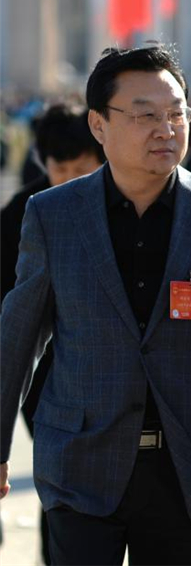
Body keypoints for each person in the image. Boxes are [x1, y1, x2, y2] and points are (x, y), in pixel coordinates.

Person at [0, 45, 191, 565]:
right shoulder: (52, 214)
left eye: (177, 113)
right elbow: (18, 337)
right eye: (145, 115)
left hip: (187, 467)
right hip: (79, 462)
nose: (166, 128)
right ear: (99, 125)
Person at [0, 101, 105, 566]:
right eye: (59, 168)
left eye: (80, 168)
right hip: (42, 378)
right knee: (59, 482)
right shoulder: (24, 210)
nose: (68, 178)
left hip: (107, 374)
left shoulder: (124, 204)